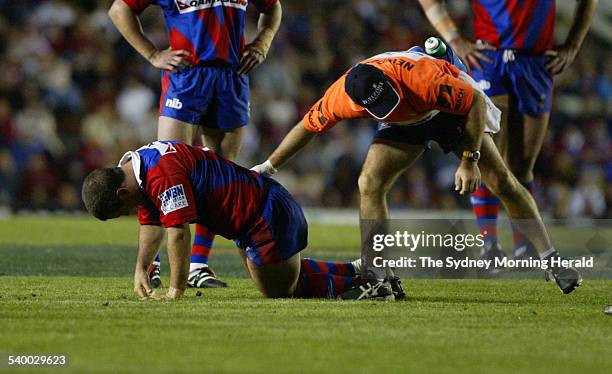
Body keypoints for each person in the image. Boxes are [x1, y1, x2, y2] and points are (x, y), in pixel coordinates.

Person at [251, 47, 581, 294]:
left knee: (502, 182)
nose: (389, 109)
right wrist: (270, 165)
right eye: (381, 109)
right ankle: (377, 272)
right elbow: (307, 127)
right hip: (407, 122)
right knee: (369, 182)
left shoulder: (423, 78)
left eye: (389, 101)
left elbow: (475, 104)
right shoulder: (342, 97)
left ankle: (552, 259)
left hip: (445, 111)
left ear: (389, 83)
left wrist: (469, 159)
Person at [81, 141, 404, 301]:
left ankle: (367, 283)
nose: (128, 215)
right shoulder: (136, 164)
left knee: (278, 291)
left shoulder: (161, 175)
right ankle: (364, 271)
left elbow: (178, 233)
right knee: (276, 279)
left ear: (123, 193)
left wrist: (175, 290)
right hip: (255, 214)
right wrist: (141, 266)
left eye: (120, 211)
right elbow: (151, 223)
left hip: (264, 215)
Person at [108, 0, 282, 288]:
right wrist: (152, 54)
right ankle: (153, 264)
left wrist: (263, 40)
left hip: (231, 74)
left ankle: (198, 264)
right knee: (165, 167)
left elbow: (273, 6)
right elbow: (119, 9)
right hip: (186, 74)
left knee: (222, 175)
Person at [418, 0, 597, 261]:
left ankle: (525, 249)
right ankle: (489, 246)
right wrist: (453, 37)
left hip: (536, 63)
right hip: (490, 58)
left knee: (522, 165)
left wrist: (573, 45)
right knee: (489, 160)